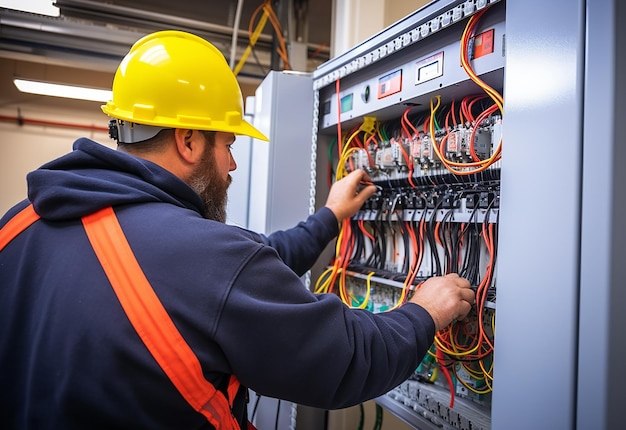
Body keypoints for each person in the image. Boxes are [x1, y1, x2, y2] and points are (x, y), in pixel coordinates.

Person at [0, 30, 474, 429]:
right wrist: (423, 312)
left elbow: (244, 269)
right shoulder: (204, 258)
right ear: (188, 140)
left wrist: (329, 217)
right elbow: (346, 360)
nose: (231, 165)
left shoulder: (16, 229)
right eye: (227, 144)